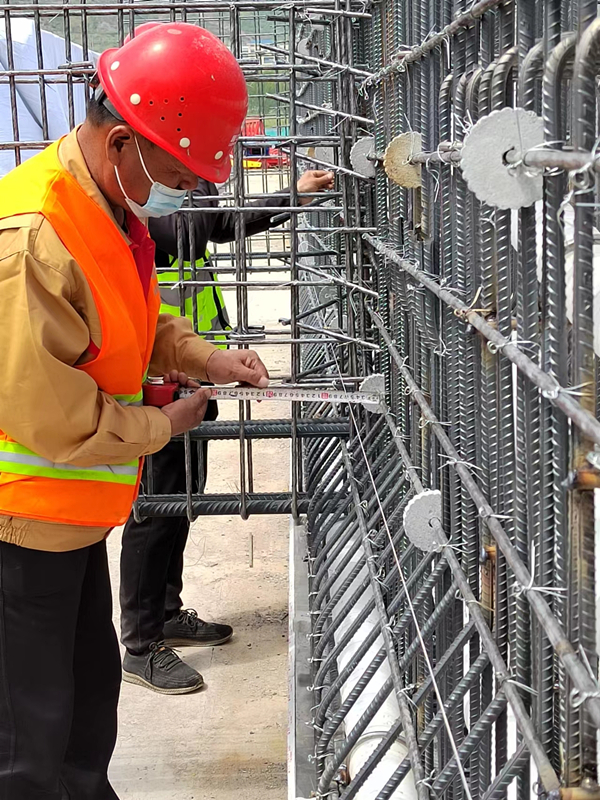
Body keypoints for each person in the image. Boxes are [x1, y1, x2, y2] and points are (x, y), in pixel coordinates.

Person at [0, 22, 269, 800]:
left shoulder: (104, 208)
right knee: (25, 744)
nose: (185, 193)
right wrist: (164, 426)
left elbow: (130, 322)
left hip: (68, 519)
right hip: (19, 527)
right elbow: (58, 420)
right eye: (180, 176)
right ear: (123, 142)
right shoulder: (34, 239)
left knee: (85, 714)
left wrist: (205, 358)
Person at [120, 167, 334, 694]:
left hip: (198, 366)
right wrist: (194, 185)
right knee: (154, 507)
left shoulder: (186, 184)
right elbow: (186, 230)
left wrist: (292, 195)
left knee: (183, 498)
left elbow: (221, 224)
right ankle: (140, 645)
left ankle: (166, 612)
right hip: (154, 376)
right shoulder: (143, 189)